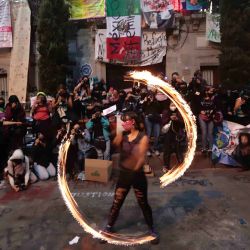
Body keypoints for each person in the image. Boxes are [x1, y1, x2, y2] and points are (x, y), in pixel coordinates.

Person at [102, 112, 159, 244]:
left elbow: (140, 159)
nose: (123, 123)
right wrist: (120, 132)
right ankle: (109, 227)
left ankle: (152, 229)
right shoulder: (124, 135)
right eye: (122, 121)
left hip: (137, 175)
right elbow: (116, 144)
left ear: (133, 122)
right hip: (124, 174)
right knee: (117, 202)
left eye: (125, 121)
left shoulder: (142, 137)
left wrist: (133, 169)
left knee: (143, 203)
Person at [162, 102, 185, 172]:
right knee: (167, 150)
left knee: (178, 150)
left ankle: (181, 166)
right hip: (168, 134)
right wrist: (170, 119)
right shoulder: (166, 112)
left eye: (174, 105)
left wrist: (177, 119)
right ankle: (166, 166)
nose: (173, 107)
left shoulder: (179, 112)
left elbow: (183, 123)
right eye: (171, 105)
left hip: (177, 134)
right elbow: (163, 122)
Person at [143, 92, 161, 156]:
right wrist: (146, 101)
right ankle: (148, 149)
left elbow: (159, 109)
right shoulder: (146, 102)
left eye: (151, 96)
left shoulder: (156, 102)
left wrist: (153, 101)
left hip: (156, 119)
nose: (150, 97)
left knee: (157, 134)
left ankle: (155, 148)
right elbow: (143, 109)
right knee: (149, 134)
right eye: (149, 96)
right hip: (148, 119)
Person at [198, 89, 217, 153]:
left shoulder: (213, 98)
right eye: (210, 91)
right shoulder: (200, 97)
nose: (211, 92)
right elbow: (196, 105)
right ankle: (204, 148)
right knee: (204, 132)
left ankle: (210, 148)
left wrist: (213, 112)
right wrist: (200, 111)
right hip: (202, 117)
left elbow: (215, 107)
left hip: (210, 117)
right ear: (206, 91)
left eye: (212, 91)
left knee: (210, 133)